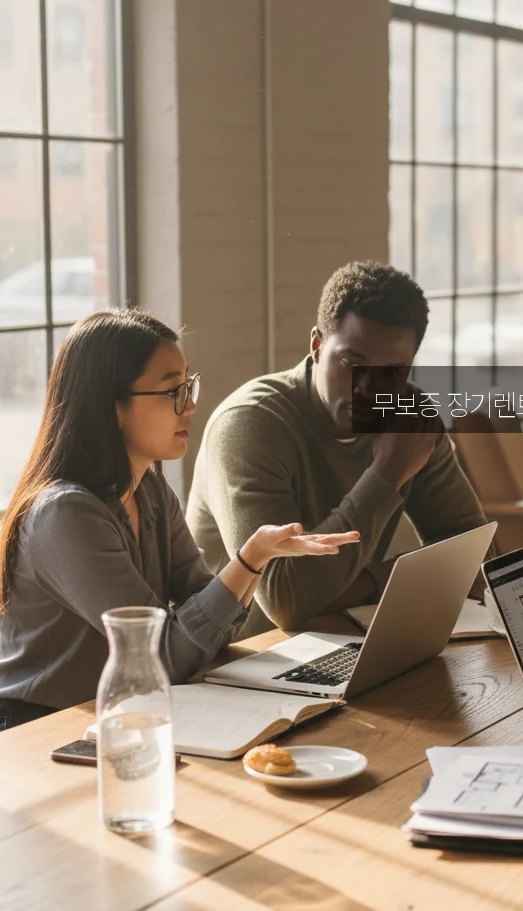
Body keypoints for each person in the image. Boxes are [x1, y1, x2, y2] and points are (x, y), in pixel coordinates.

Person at [0, 309, 358, 731]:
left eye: (188, 385)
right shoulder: (65, 514)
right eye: (173, 391)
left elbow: (208, 621)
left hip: (123, 714)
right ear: (113, 407)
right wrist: (249, 560)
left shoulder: (149, 489)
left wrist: (252, 566)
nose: (190, 405)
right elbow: (160, 656)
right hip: (37, 733)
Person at [186, 261, 489, 635]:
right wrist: (386, 475)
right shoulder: (250, 425)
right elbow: (286, 601)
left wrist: (355, 586)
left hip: (340, 637)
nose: (368, 389)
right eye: (351, 362)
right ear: (316, 345)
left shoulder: (410, 418)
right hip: (240, 660)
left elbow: (477, 558)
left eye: (391, 372)